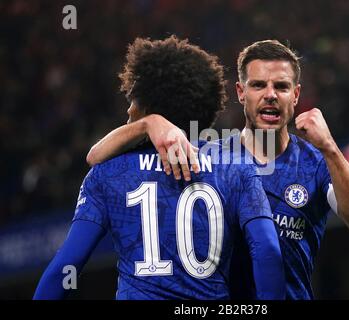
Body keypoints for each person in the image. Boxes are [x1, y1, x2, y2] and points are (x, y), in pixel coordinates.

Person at [85, 40, 349, 300]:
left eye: (281, 86)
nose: (271, 95)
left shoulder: (315, 163)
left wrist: (330, 148)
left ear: (296, 95)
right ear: (241, 92)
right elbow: (97, 157)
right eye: (258, 85)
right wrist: (147, 123)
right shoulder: (208, 155)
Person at [33, 36, 285, 300]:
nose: (129, 110)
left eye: (133, 100)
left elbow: (65, 266)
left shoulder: (108, 172)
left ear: (149, 105)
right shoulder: (238, 167)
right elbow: (268, 251)